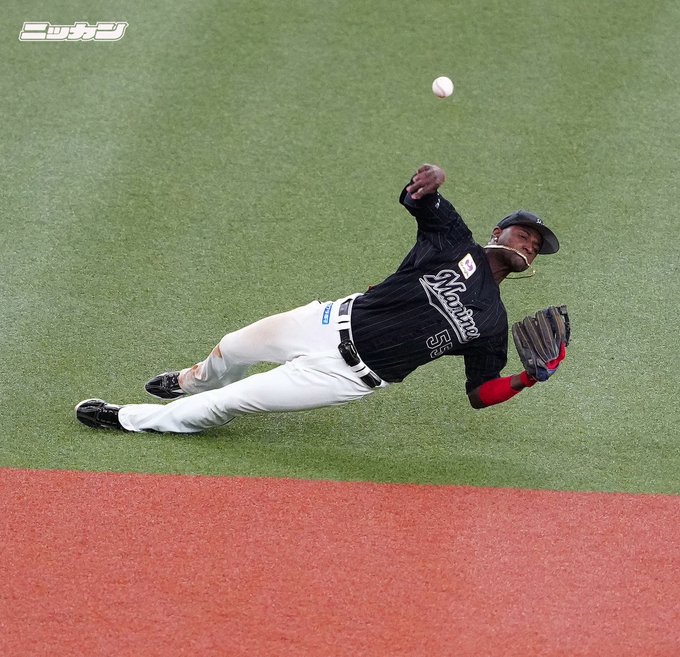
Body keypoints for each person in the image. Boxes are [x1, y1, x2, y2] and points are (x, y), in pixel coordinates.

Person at [75, 163, 566, 434]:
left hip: (346, 376)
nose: (529, 244)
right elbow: (417, 201)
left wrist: (527, 378)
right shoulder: (454, 241)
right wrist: (426, 184)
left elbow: (480, 393)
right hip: (328, 320)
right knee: (233, 348)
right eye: (524, 234)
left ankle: (126, 418)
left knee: (230, 402)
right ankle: (189, 382)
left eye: (536, 246)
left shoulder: (492, 321)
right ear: (498, 232)